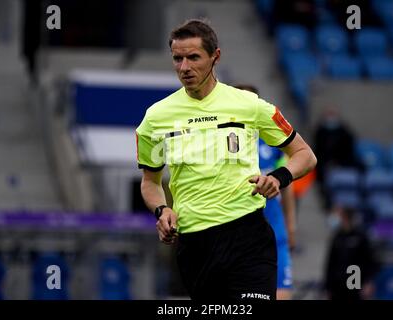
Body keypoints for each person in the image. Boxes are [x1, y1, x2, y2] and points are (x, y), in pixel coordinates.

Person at [136, 19, 317, 300]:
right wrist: (162, 210)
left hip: (248, 235)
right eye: (177, 58)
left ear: (215, 56)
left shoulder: (250, 105)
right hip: (195, 244)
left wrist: (278, 179)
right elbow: (150, 182)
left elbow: (305, 155)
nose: (184, 68)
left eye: (193, 57)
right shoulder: (156, 118)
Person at [234, 84, 296, 300]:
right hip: (236, 239)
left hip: (275, 232)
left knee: (282, 295)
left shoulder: (274, 142)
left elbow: (288, 187)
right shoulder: (222, 144)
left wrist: (291, 225)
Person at [323, 206, 378, 300]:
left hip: (354, 281)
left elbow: (370, 261)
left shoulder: (360, 237)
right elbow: (330, 262)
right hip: (338, 283)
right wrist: (328, 286)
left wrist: (368, 282)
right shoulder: (337, 236)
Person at [313, 106, 361, 209]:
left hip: (343, 164)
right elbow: (318, 151)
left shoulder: (345, 132)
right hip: (325, 166)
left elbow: (349, 150)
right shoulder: (320, 132)